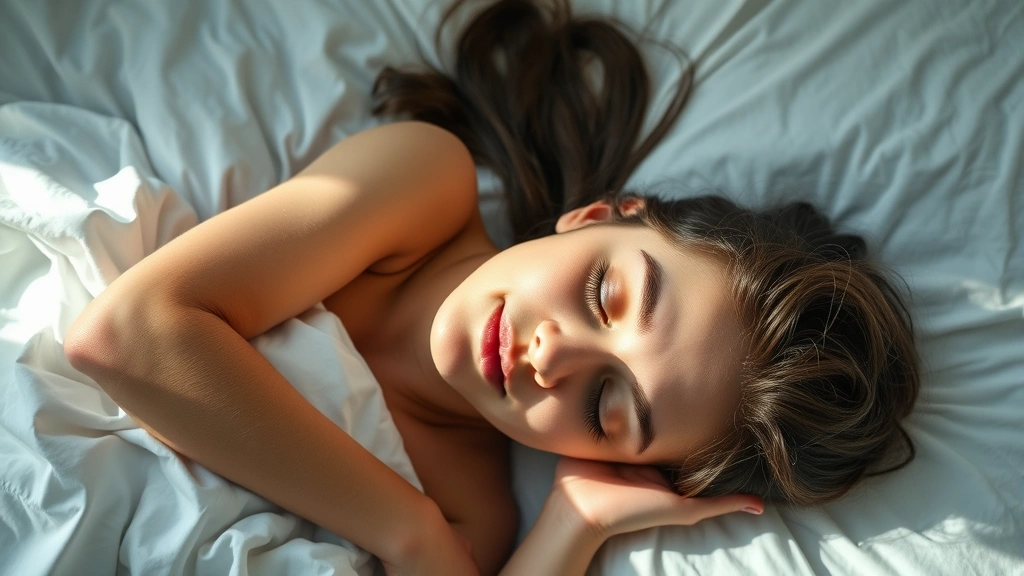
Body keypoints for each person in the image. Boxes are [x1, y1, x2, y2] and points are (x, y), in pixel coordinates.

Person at [63, 0, 920, 574]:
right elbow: (129, 336)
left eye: (608, 410)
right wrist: (406, 532)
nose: (554, 357)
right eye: (605, 298)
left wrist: (573, 527)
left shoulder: (477, 515)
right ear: (595, 216)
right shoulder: (426, 186)